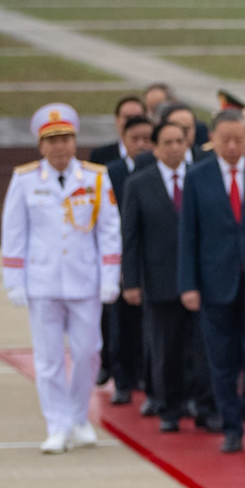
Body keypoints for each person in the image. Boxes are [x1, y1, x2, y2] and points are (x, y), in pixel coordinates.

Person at [1, 104, 121, 454]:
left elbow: (109, 230)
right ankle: (57, 425)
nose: (59, 146)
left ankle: (79, 417)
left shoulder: (95, 177)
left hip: (85, 279)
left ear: (75, 141)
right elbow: (14, 233)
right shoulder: (25, 180)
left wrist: (110, 275)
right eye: (52, 140)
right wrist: (14, 280)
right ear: (41, 145)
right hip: (42, 280)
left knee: (88, 353)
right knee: (49, 358)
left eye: (65, 138)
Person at [177, 110, 245, 453]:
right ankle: (232, 426)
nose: (232, 146)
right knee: (221, 360)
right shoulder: (197, 177)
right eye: (226, 140)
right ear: (214, 140)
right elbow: (188, 234)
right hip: (214, 281)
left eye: (239, 139)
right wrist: (188, 284)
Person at [121, 119, 212, 433]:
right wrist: (130, 281)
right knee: (166, 352)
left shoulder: (200, 179)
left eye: (179, 141)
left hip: (200, 281)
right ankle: (170, 408)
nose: (174, 147)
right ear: (156, 148)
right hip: (160, 281)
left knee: (203, 349)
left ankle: (205, 407)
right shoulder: (139, 183)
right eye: (167, 142)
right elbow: (130, 237)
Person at [99, 113, 157, 404]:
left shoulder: (162, 172)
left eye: (148, 139)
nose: (142, 144)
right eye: (136, 139)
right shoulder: (110, 173)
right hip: (122, 260)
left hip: (156, 261)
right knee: (121, 325)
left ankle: (147, 380)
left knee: (151, 328)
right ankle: (121, 381)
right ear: (124, 141)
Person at [90, 95, 147, 166]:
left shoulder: (153, 154)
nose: (132, 123)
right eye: (128, 117)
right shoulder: (100, 156)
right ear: (117, 120)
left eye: (138, 118)